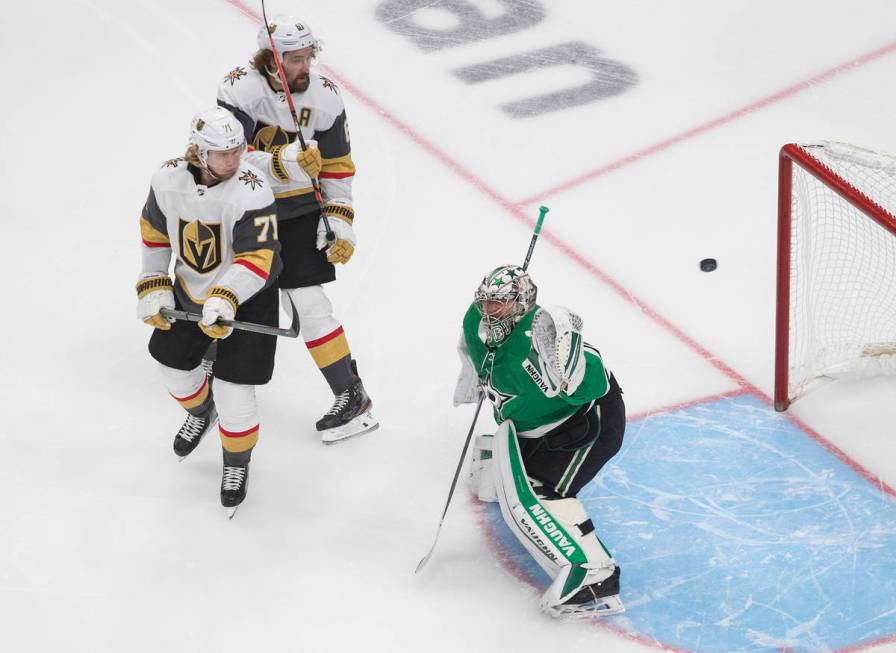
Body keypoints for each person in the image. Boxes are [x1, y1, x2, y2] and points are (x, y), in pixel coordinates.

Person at [216, 15, 376, 444]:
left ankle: (351, 394)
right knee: (226, 290)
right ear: (271, 59)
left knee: (310, 305)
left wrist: (340, 222)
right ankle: (218, 377)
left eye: (308, 56)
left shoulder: (326, 97)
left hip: (301, 212)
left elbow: (338, 168)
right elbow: (226, 159)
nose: (304, 66)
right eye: (294, 58)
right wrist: (282, 162)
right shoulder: (238, 88)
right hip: (248, 209)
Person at [453, 265, 626, 618]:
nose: (489, 312)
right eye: (487, 303)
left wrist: (570, 366)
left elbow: (594, 375)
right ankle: (502, 465)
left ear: (522, 304)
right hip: (531, 426)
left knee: (539, 493)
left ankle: (595, 574)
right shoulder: (476, 321)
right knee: (508, 482)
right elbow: (470, 348)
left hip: (583, 426)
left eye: (499, 305)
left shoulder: (539, 339)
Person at [136, 106, 282, 514]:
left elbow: (259, 257)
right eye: (223, 154)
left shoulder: (253, 188)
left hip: (250, 297)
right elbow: (154, 235)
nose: (234, 160)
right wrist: (154, 283)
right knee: (172, 367)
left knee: (236, 391)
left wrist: (226, 296)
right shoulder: (166, 180)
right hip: (188, 290)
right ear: (199, 153)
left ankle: (236, 462)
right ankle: (202, 411)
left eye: (237, 150)